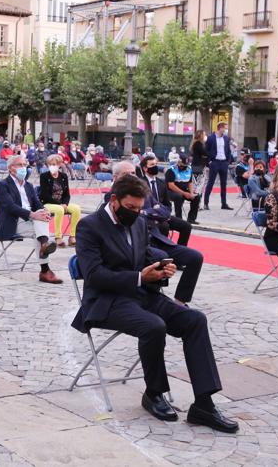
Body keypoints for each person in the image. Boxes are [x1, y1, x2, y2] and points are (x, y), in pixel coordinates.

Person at [71, 176, 238, 432]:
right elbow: (94, 275)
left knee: (195, 320)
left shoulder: (138, 222)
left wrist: (163, 264)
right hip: (107, 301)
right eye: (131, 207)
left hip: (142, 295)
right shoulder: (89, 226)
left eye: (139, 208)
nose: (137, 213)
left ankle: (204, 404)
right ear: (114, 200)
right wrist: (139, 277)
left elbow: (145, 252)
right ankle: (154, 393)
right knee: (154, 326)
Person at [116, 158, 204, 303]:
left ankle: (180, 302)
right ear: (116, 177)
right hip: (136, 245)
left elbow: (164, 211)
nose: (131, 176)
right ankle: (153, 301)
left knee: (195, 257)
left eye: (133, 173)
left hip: (157, 238)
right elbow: (136, 219)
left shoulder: (144, 192)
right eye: (127, 174)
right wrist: (149, 213)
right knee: (160, 256)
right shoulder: (113, 197)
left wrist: (148, 212)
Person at [0, 154, 58, 284]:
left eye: (25, 165)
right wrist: (33, 215)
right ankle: (45, 268)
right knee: (40, 226)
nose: (24, 168)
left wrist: (44, 211)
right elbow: (10, 207)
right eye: (20, 165)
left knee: (40, 223)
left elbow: (36, 203)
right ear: (11, 168)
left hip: (30, 222)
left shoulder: (28, 185)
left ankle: (44, 254)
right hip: (12, 222)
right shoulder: (3, 185)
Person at [39, 154, 81, 247]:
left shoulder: (63, 176)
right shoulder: (44, 176)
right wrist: (60, 204)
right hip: (47, 203)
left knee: (76, 208)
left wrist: (65, 203)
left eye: (54, 164)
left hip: (61, 203)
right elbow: (44, 195)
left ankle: (72, 236)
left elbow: (67, 194)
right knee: (60, 209)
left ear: (59, 165)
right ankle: (58, 237)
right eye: (50, 164)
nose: (52, 166)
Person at [202, 124, 233, 210]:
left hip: (224, 163)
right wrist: (209, 162)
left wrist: (227, 161)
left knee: (224, 184)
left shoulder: (226, 138)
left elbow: (229, 151)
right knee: (210, 183)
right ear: (219, 128)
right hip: (214, 162)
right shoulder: (211, 138)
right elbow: (206, 150)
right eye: (224, 128)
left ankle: (224, 204)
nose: (225, 130)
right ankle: (206, 203)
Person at [165, 155, 201, 224]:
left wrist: (191, 193)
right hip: (170, 191)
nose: (184, 167)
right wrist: (184, 193)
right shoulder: (171, 170)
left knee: (196, 197)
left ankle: (191, 219)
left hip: (184, 190)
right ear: (178, 163)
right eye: (182, 165)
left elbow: (190, 182)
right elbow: (171, 185)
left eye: (185, 165)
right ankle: (179, 219)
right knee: (178, 197)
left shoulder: (189, 169)